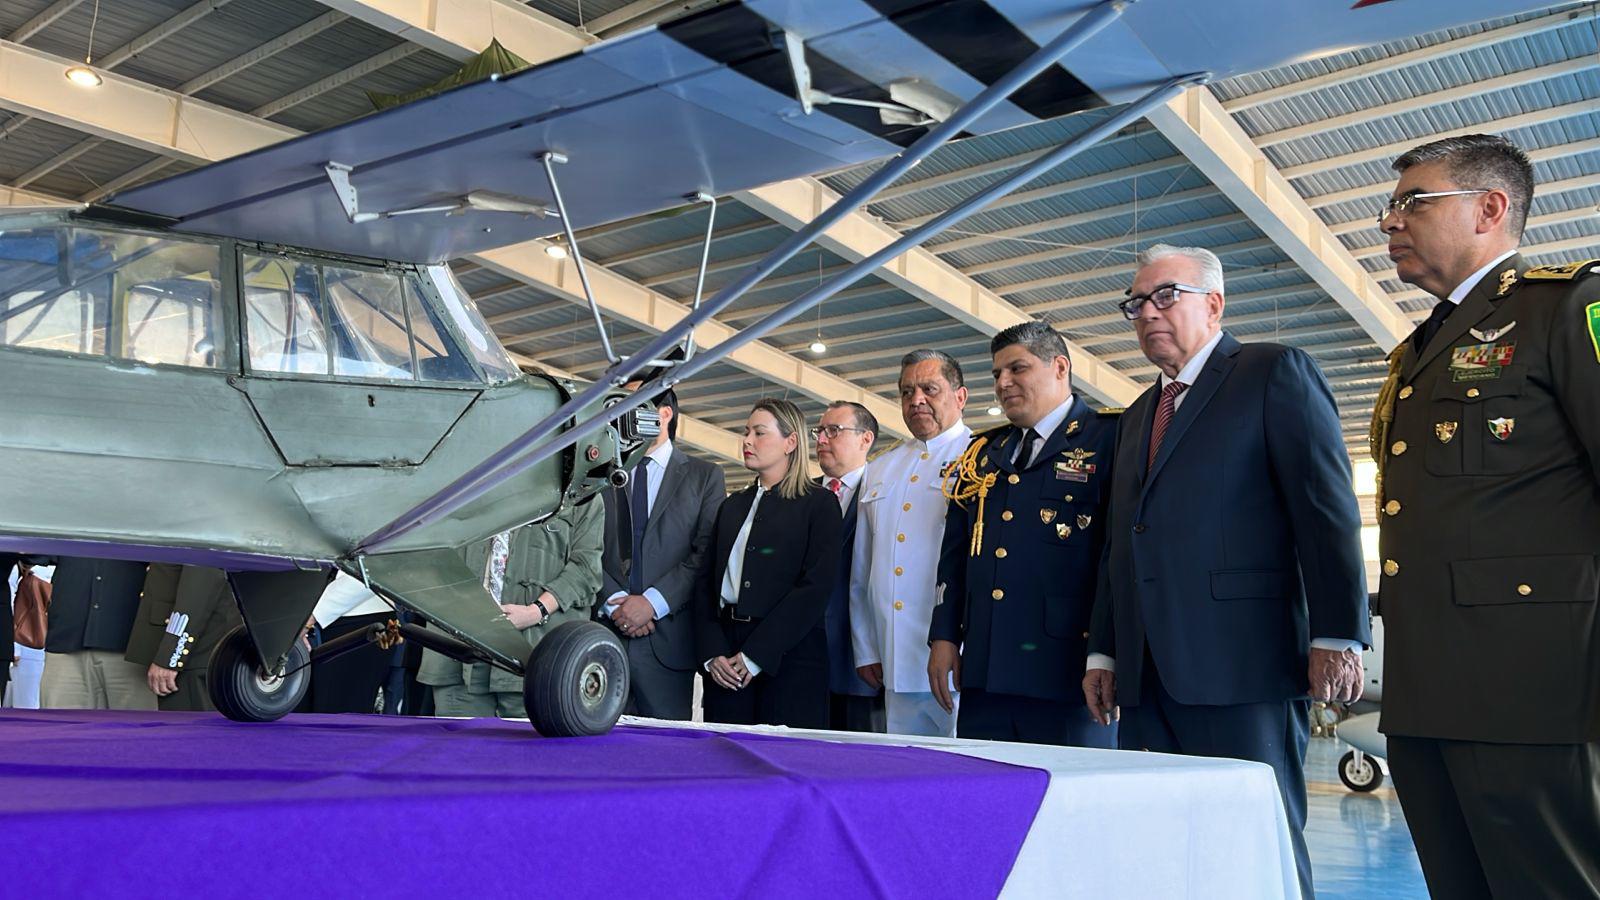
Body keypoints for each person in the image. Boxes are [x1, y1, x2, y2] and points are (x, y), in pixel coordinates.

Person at [1082, 243, 1369, 900]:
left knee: (1256, 834)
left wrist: (1336, 634)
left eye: (1164, 296)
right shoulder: (1134, 416)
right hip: (1147, 673)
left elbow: (1326, 511)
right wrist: (1104, 649)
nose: (1146, 313)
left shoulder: (1273, 373)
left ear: (1214, 302)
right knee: (1165, 841)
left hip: (1246, 665)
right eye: (1135, 303)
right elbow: (1121, 545)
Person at [1368, 134, 1600, 898]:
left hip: (1535, 693)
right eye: (1391, 205)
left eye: (1412, 202)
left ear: (1489, 209)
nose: (1388, 221)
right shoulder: (1417, 350)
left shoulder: (1568, 305)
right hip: (1429, 687)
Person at [929, 323, 1118, 747]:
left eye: (1017, 368)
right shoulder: (983, 453)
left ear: (1060, 367)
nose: (1003, 383)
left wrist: (1107, 654)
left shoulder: (1109, 440)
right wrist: (944, 635)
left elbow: (1117, 558)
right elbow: (955, 554)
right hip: (986, 669)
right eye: (997, 374)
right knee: (988, 800)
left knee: (1071, 805)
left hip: (1067, 673)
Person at [697, 398, 841, 729]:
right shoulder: (732, 506)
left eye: (759, 433)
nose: (747, 440)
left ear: (791, 442)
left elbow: (815, 588)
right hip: (726, 659)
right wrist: (712, 653)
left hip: (790, 659)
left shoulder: (819, 505)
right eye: (746, 432)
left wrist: (756, 655)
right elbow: (706, 584)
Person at [850, 350, 971, 737]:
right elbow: (862, 570)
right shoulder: (881, 468)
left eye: (929, 389)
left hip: (958, 660)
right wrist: (867, 648)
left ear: (960, 396)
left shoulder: (981, 456)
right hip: (895, 657)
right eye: (906, 392)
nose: (916, 399)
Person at [598, 386, 724, 720]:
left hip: (668, 644)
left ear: (664, 414)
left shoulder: (704, 476)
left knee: (666, 752)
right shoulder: (600, 475)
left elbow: (705, 552)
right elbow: (585, 546)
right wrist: (617, 605)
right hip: (603, 639)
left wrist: (652, 602)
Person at [418, 499, 604, 718]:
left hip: (534, 655)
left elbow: (586, 569)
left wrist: (535, 612)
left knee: (529, 751)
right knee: (460, 749)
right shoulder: (460, 476)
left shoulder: (581, 490)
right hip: (457, 652)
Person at [813, 400, 880, 731]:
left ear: (865, 439)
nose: (822, 439)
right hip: (802, 665)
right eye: (820, 431)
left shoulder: (885, 494)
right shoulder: (799, 496)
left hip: (862, 664)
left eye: (834, 431)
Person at [37, 556, 160, 710]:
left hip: (130, 646)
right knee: (61, 728)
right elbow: (32, 552)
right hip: (66, 643)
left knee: (134, 729)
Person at [124, 564, 241, 711]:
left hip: (197, 652)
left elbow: (197, 593)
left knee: (192, 729)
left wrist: (170, 658)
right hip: (195, 652)